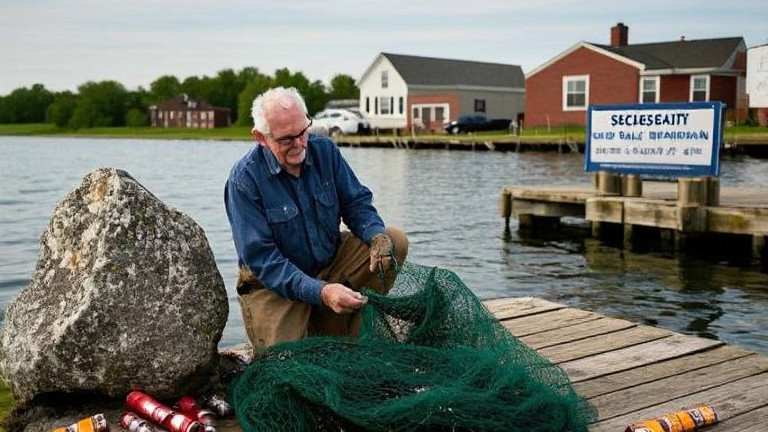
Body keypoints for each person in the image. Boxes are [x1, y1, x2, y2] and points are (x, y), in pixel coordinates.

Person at [224, 86, 408, 354]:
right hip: (274, 286)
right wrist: (320, 292)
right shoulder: (244, 180)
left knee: (395, 240)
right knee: (287, 364)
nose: (300, 144)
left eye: (303, 131)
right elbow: (264, 261)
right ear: (261, 137)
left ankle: (343, 323)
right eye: (287, 139)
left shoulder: (325, 150)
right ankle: (321, 315)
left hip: (330, 263)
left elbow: (356, 203)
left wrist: (376, 235)